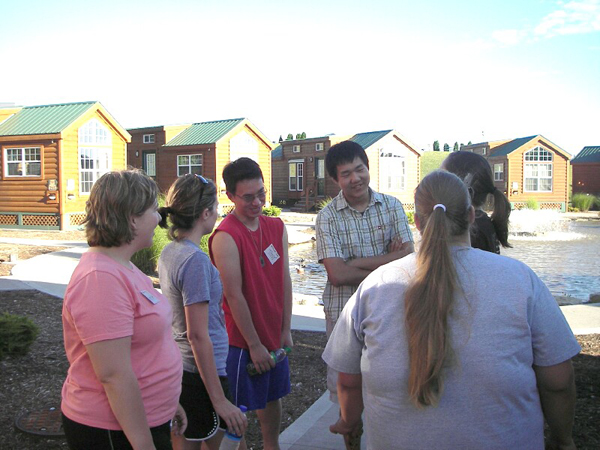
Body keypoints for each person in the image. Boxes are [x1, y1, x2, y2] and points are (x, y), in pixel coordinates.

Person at [323, 170, 580, 450]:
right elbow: (558, 381)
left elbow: (348, 380)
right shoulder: (521, 279)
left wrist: (349, 421)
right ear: (470, 215)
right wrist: (562, 439)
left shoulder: (375, 285)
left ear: (417, 222)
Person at [61, 169, 187, 450]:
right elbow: (113, 375)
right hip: (112, 430)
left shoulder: (124, 267)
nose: (159, 218)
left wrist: (167, 402)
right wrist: (144, 444)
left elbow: (147, 348)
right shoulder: (100, 279)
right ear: (131, 217)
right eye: (153, 210)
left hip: (144, 417)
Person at [158, 174, 247, 450]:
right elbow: (197, 335)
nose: (219, 213)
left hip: (182, 368)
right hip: (201, 376)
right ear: (205, 213)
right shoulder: (194, 260)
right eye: (217, 207)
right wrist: (219, 400)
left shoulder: (171, 251)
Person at [209, 157, 293, 450]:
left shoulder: (276, 227)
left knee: (272, 398)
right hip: (241, 341)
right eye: (247, 197)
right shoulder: (225, 236)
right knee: (238, 412)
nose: (257, 202)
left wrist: (285, 329)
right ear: (230, 196)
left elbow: (285, 279)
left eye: (261, 193)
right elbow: (233, 295)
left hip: (273, 334)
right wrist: (254, 345)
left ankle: (272, 445)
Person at [442, 150, 512, 253]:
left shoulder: (471, 229)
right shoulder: (482, 222)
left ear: (460, 183)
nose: (438, 182)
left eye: (443, 177)